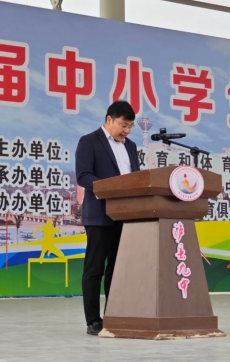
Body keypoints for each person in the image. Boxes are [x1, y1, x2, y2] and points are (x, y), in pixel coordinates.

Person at [75, 100, 140, 336]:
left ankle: (114, 315)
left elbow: (135, 177)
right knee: (95, 269)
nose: (127, 131)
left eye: (130, 126)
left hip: (125, 215)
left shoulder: (131, 146)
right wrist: (113, 188)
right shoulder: (89, 141)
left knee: (117, 269)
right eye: (123, 125)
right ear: (109, 119)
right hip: (99, 215)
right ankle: (93, 320)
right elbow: (84, 176)